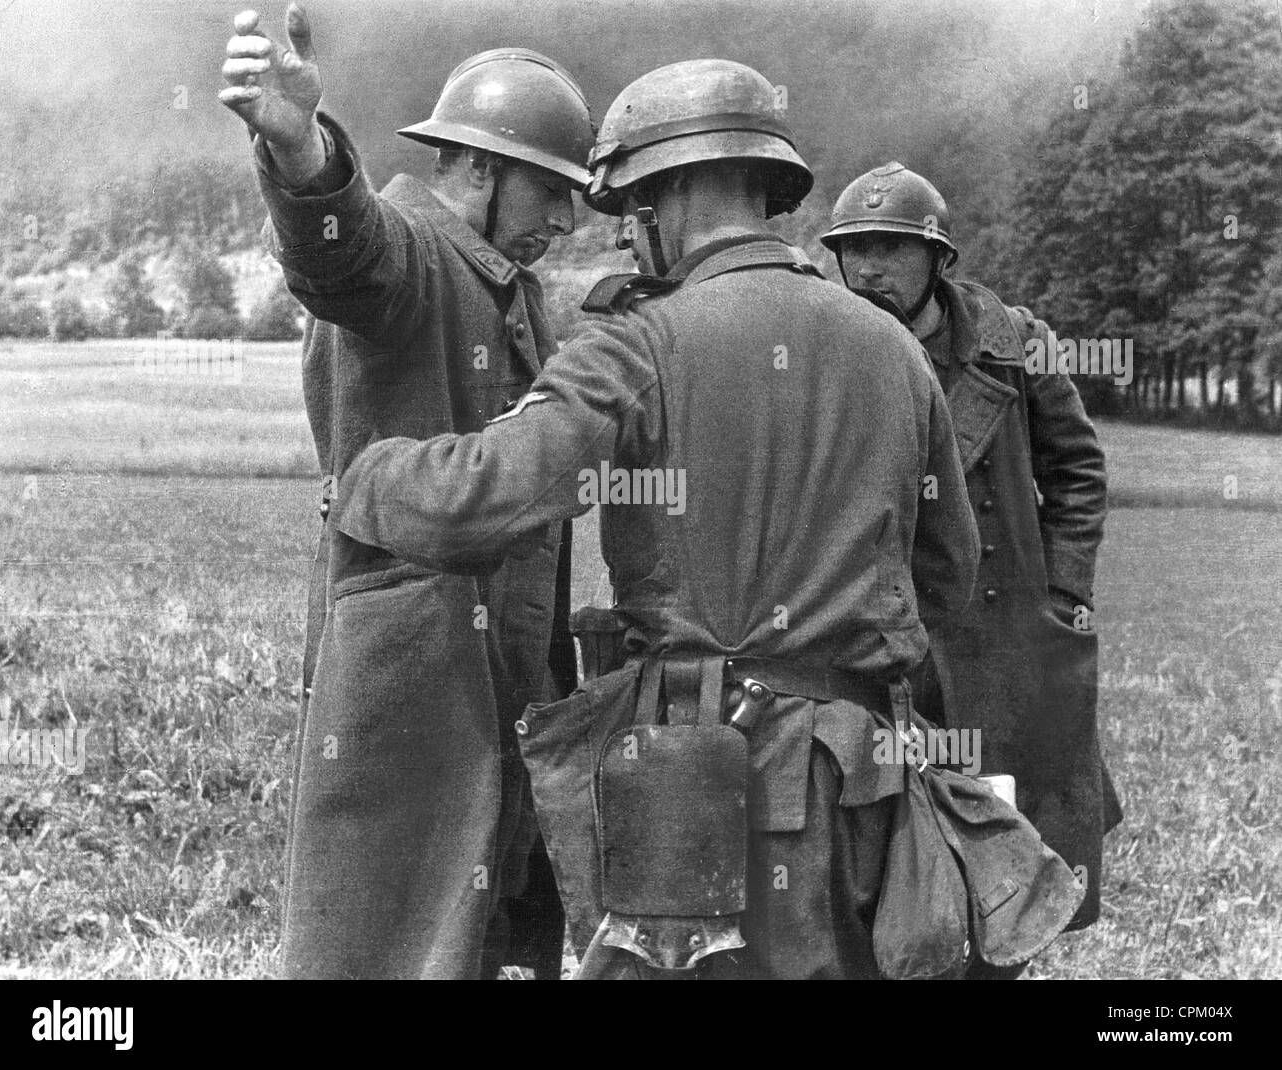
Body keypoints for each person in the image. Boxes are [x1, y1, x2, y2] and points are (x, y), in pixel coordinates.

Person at [332, 60, 982, 978]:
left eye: (629, 207)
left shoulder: (637, 345)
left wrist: (363, 479)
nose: (626, 236)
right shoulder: (897, 352)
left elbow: (482, 499)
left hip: (699, 780)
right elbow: (951, 576)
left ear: (665, 196)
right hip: (866, 779)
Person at [218, 4, 594, 978]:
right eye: (550, 191)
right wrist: (298, 149)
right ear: (477, 167)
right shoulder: (412, 251)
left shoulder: (515, 288)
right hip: (412, 666)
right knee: (382, 930)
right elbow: (340, 254)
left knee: (489, 924)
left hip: (503, 659)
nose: (564, 219)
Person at [820, 162, 1123, 973]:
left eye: (890, 248)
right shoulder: (826, 348)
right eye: (855, 250)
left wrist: (1062, 593)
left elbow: (1079, 472)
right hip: (882, 644)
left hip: (1004, 642)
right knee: (884, 852)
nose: (871, 268)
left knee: (1011, 841)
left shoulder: (1013, 343)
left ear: (938, 259)